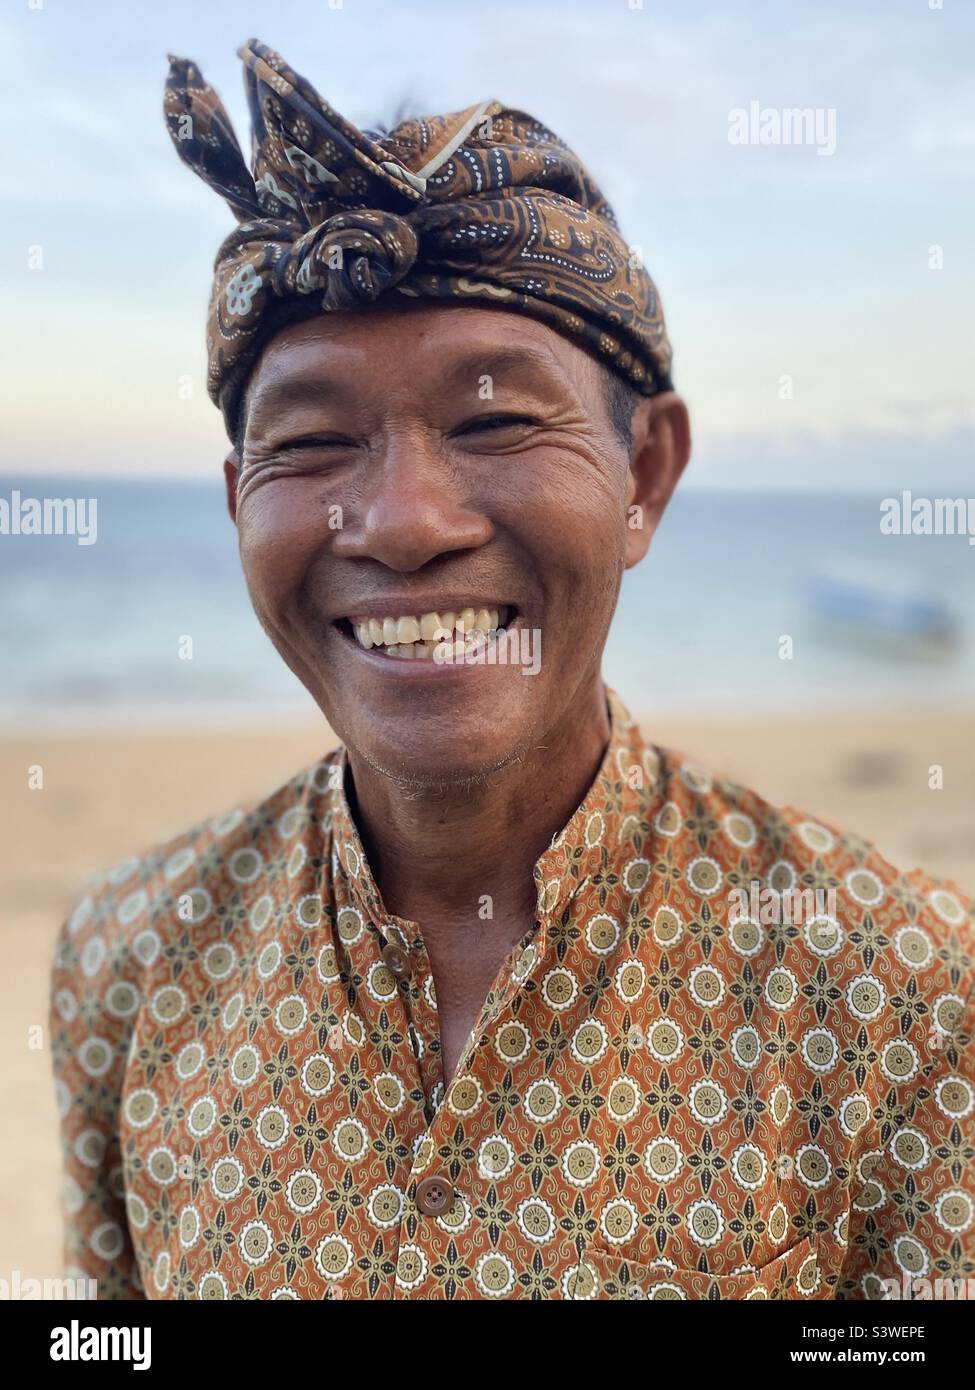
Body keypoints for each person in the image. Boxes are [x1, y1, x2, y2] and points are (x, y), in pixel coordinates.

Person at [49, 38, 974, 1301]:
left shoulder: (909, 992)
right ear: (236, 504)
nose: (405, 520)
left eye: (493, 421)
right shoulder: (125, 957)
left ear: (644, 475)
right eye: (313, 441)